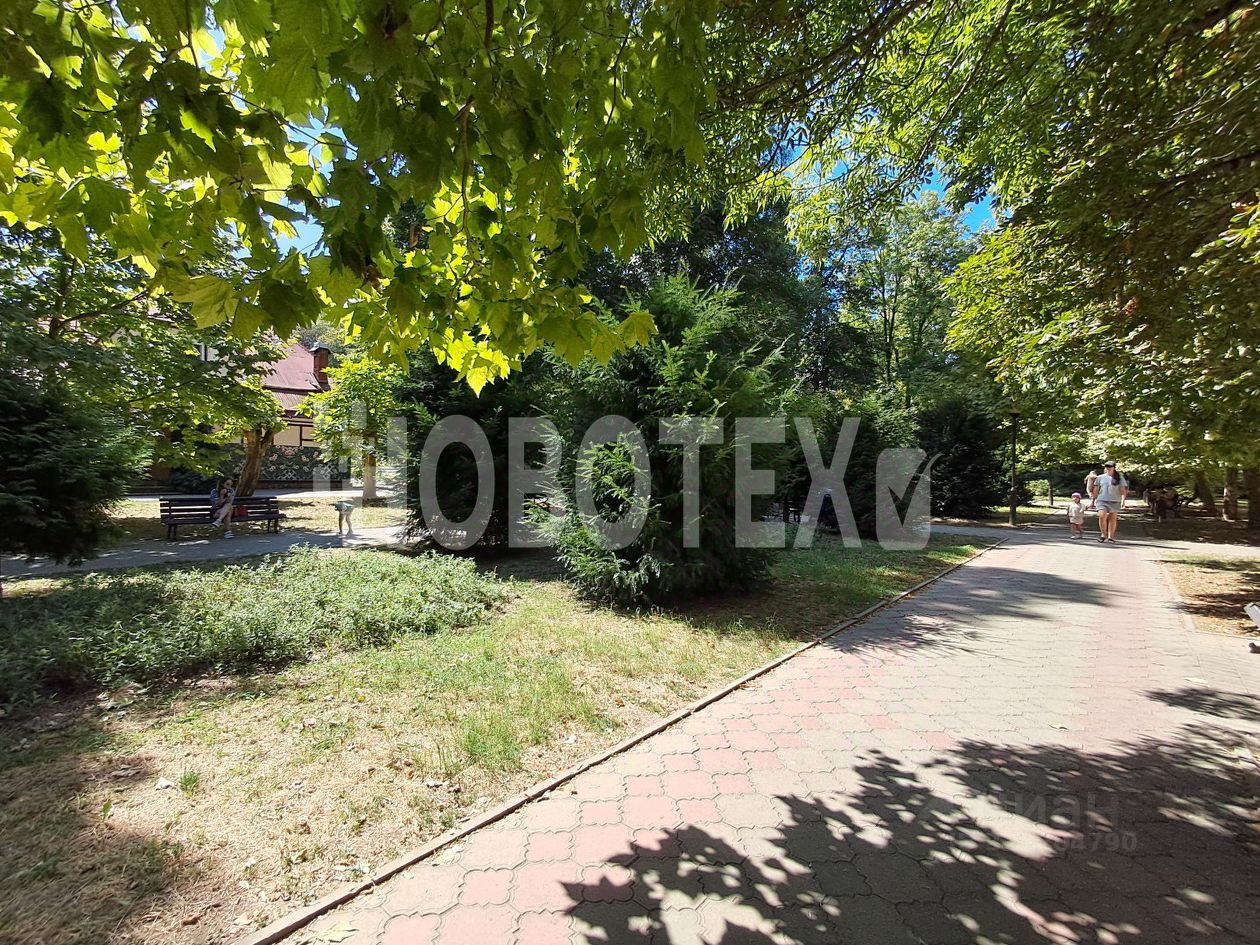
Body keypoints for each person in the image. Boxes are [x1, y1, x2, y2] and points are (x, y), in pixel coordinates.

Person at [1090, 461, 1128, 543]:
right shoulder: (1100, 477)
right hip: (1102, 500)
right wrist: (1092, 501)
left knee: (1112, 518)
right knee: (1102, 515)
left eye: (1110, 467)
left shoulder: (1120, 478)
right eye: (1106, 466)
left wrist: (1123, 501)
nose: (1108, 468)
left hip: (1115, 500)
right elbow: (1096, 489)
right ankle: (1103, 535)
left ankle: (1111, 536)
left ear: (1114, 468)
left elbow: (1123, 490)